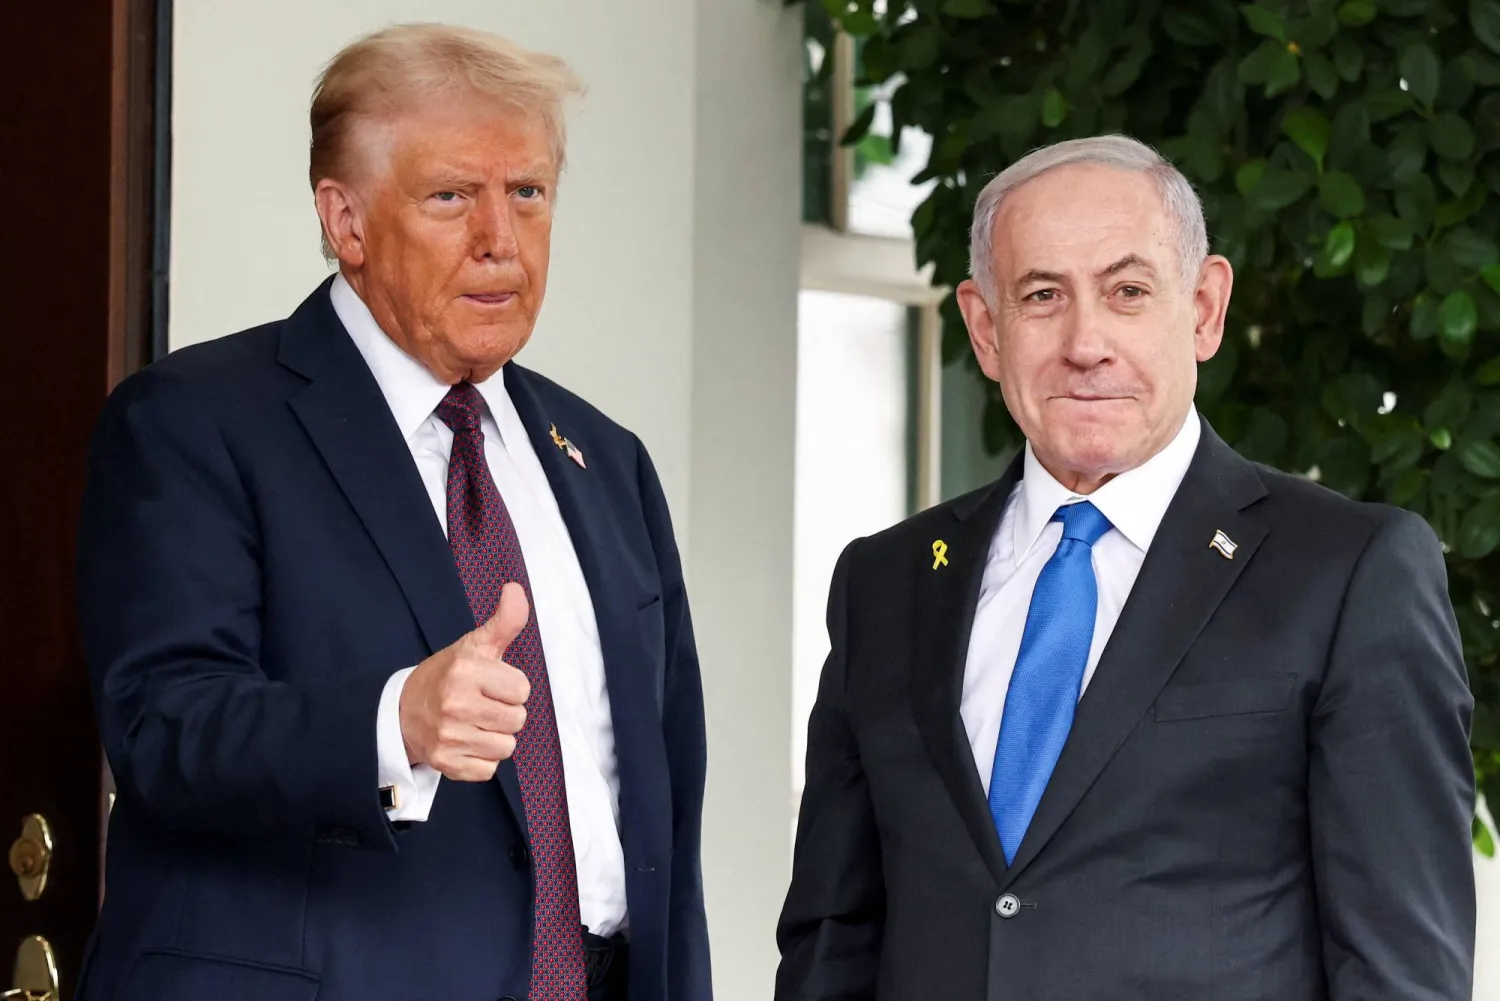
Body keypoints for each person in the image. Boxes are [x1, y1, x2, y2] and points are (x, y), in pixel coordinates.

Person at [76, 24, 709, 1001]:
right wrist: (393, 721)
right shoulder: (195, 420)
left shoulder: (605, 460)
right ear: (348, 221)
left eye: (528, 192)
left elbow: (664, 806)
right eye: (451, 196)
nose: (500, 238)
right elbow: (166, 727)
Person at [775, 135, 1476, 1000]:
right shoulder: (887, 582)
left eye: (1128, 291)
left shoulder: (1349, 573)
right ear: (986, 329)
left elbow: (1402, 970)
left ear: (1204, 309)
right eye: (1042, 296)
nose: (1086, 342)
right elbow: (831, 941)